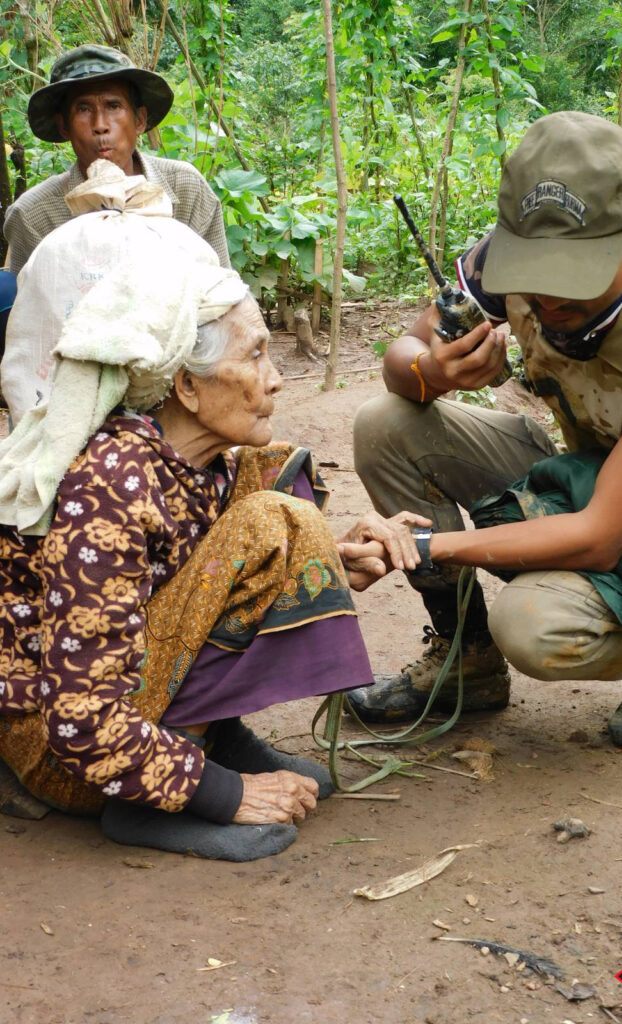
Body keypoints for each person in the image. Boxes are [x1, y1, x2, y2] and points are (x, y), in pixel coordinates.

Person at [0, 215, 426, 861]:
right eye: (254, 355)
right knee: (271, 519)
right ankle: (165, 785)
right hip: (68, 755)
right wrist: (222, 795)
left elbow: (192, 583)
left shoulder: (203, 465)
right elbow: (80, 718)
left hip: (129, 710)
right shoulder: (111, 483)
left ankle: (213, 735)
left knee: (274, 487)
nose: (275, 378)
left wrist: (332, 559)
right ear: (187, 386)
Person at [348, 110, 622, 749]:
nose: (547, 298)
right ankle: (466, 660)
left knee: (533, 624)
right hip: (585, 476)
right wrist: (431, 370)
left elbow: (600, 537)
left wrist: (422, 545)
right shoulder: (504, 258)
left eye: (574, 274)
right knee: (385, 424)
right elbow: (403, 354)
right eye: (534, 270)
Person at [3, 44, 229, 274]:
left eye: (113, 106)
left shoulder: (187, 190)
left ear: (139, 120)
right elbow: (31, 295)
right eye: (83, 109)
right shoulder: (34, 215)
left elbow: (223, 286)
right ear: (64, 126)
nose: (100, 125)